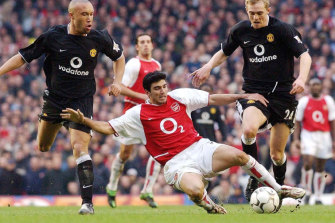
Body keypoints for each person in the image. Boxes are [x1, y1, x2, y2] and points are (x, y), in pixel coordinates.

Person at [61, 71, 306, 214]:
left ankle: (279, 187)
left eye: (164, 87)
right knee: (197, 191)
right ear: (148, 92)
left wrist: (243, 96)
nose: (163, 92)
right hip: (175, 164)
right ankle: (208, 205)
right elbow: (108, 127)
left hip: (199, 147)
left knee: (241, 156)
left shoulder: (180, 97)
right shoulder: (139, 114)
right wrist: (86, 121)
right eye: (157, 89)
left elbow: (212, 98)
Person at [0, 0, 125, 215]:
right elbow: (23, 57)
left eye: (92, 14)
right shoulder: (53, 36)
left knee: (79, 147)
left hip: (81, 101)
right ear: (71, 15)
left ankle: (87, 203)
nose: (89, 19)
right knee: (43, 147)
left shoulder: (99, 38)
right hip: (54, 100)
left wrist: (118, 81)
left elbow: (119, 57)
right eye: (84, 14)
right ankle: (49, 122)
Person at [191, 0, 312, 201]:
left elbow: (305, 56)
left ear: (268, 10)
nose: (255, 18)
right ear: (246, 11)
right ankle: (254, 176)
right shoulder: (240, 30)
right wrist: (208, 66)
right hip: (254, 94)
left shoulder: (283, 30)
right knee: (248, 130)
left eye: (259, 13)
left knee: (276, 155)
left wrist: (301, 79)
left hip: (283, 96)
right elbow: (224, 52)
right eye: (251, 13)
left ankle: (279, 188)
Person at [106, 34, 161, 208]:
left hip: (150, 115)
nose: (145, 45)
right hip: (132, 115)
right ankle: (112, 187)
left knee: (159, 152)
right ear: (137, 47)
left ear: (152, 45)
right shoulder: (133, 64)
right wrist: (143, 97)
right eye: (142, 42)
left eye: (148, 42)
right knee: (124, 155)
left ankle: (147, 190)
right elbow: (119, 87)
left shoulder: (157, 65)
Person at [292, 78, 335, 205]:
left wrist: (333, 140)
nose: (315, 87)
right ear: (309, 87)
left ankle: (318, 196)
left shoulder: (328, 101)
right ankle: (307, 190)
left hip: (324, 135)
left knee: (321, 167)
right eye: (312, 85)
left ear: (321, 86)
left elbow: (332, 122)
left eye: (317, 85)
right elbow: (297, 122)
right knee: (308, 162)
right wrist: (296, 139)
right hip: (308, 134)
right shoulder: (304, 101)